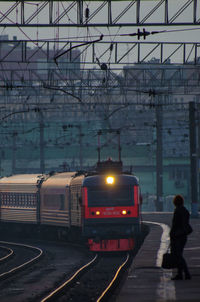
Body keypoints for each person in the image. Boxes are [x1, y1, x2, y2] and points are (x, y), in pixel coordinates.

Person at [169, 194, 191, 280]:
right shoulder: (185, 210)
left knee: (178, 255)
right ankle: (180, 274)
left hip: (177, 236)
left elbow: (175, 225)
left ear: (175, 202)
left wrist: (172, 235)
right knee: (179, 255)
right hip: (183, 236)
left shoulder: (177, 211)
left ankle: (185, 273)